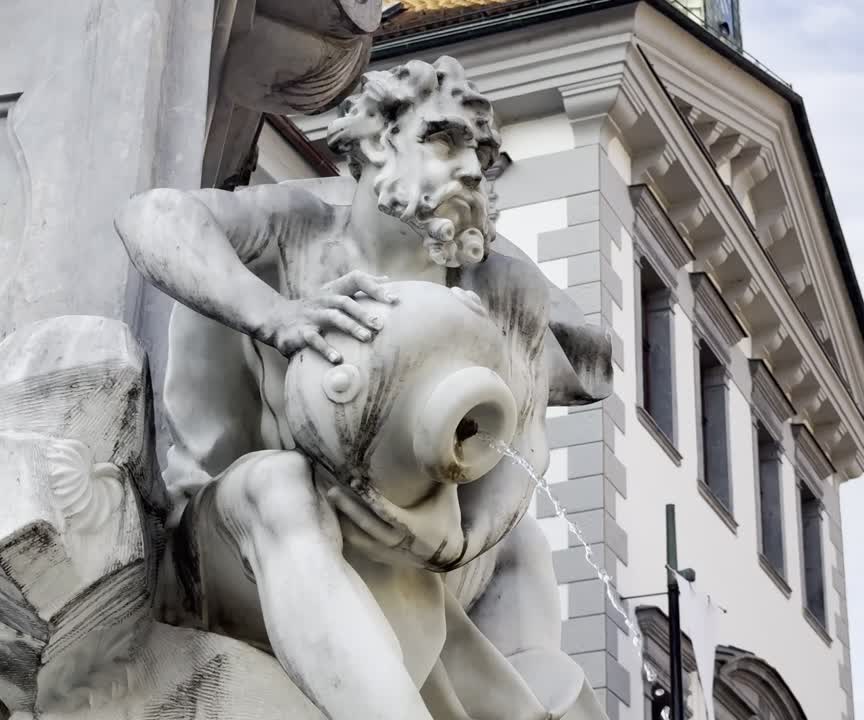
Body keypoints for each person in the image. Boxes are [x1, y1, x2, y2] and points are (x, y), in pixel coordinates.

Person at [116, 57, 609, 720]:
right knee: (279, 482)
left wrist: (462, 541)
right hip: (238, 553)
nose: (471, 167)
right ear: (378, 141)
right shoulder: (297, 230)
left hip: (413, 556)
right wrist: (274, 313)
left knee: (521, 547)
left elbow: (524, 448)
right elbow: (153, 216)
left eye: (484, 154)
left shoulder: (498, 284)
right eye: (444, 141)